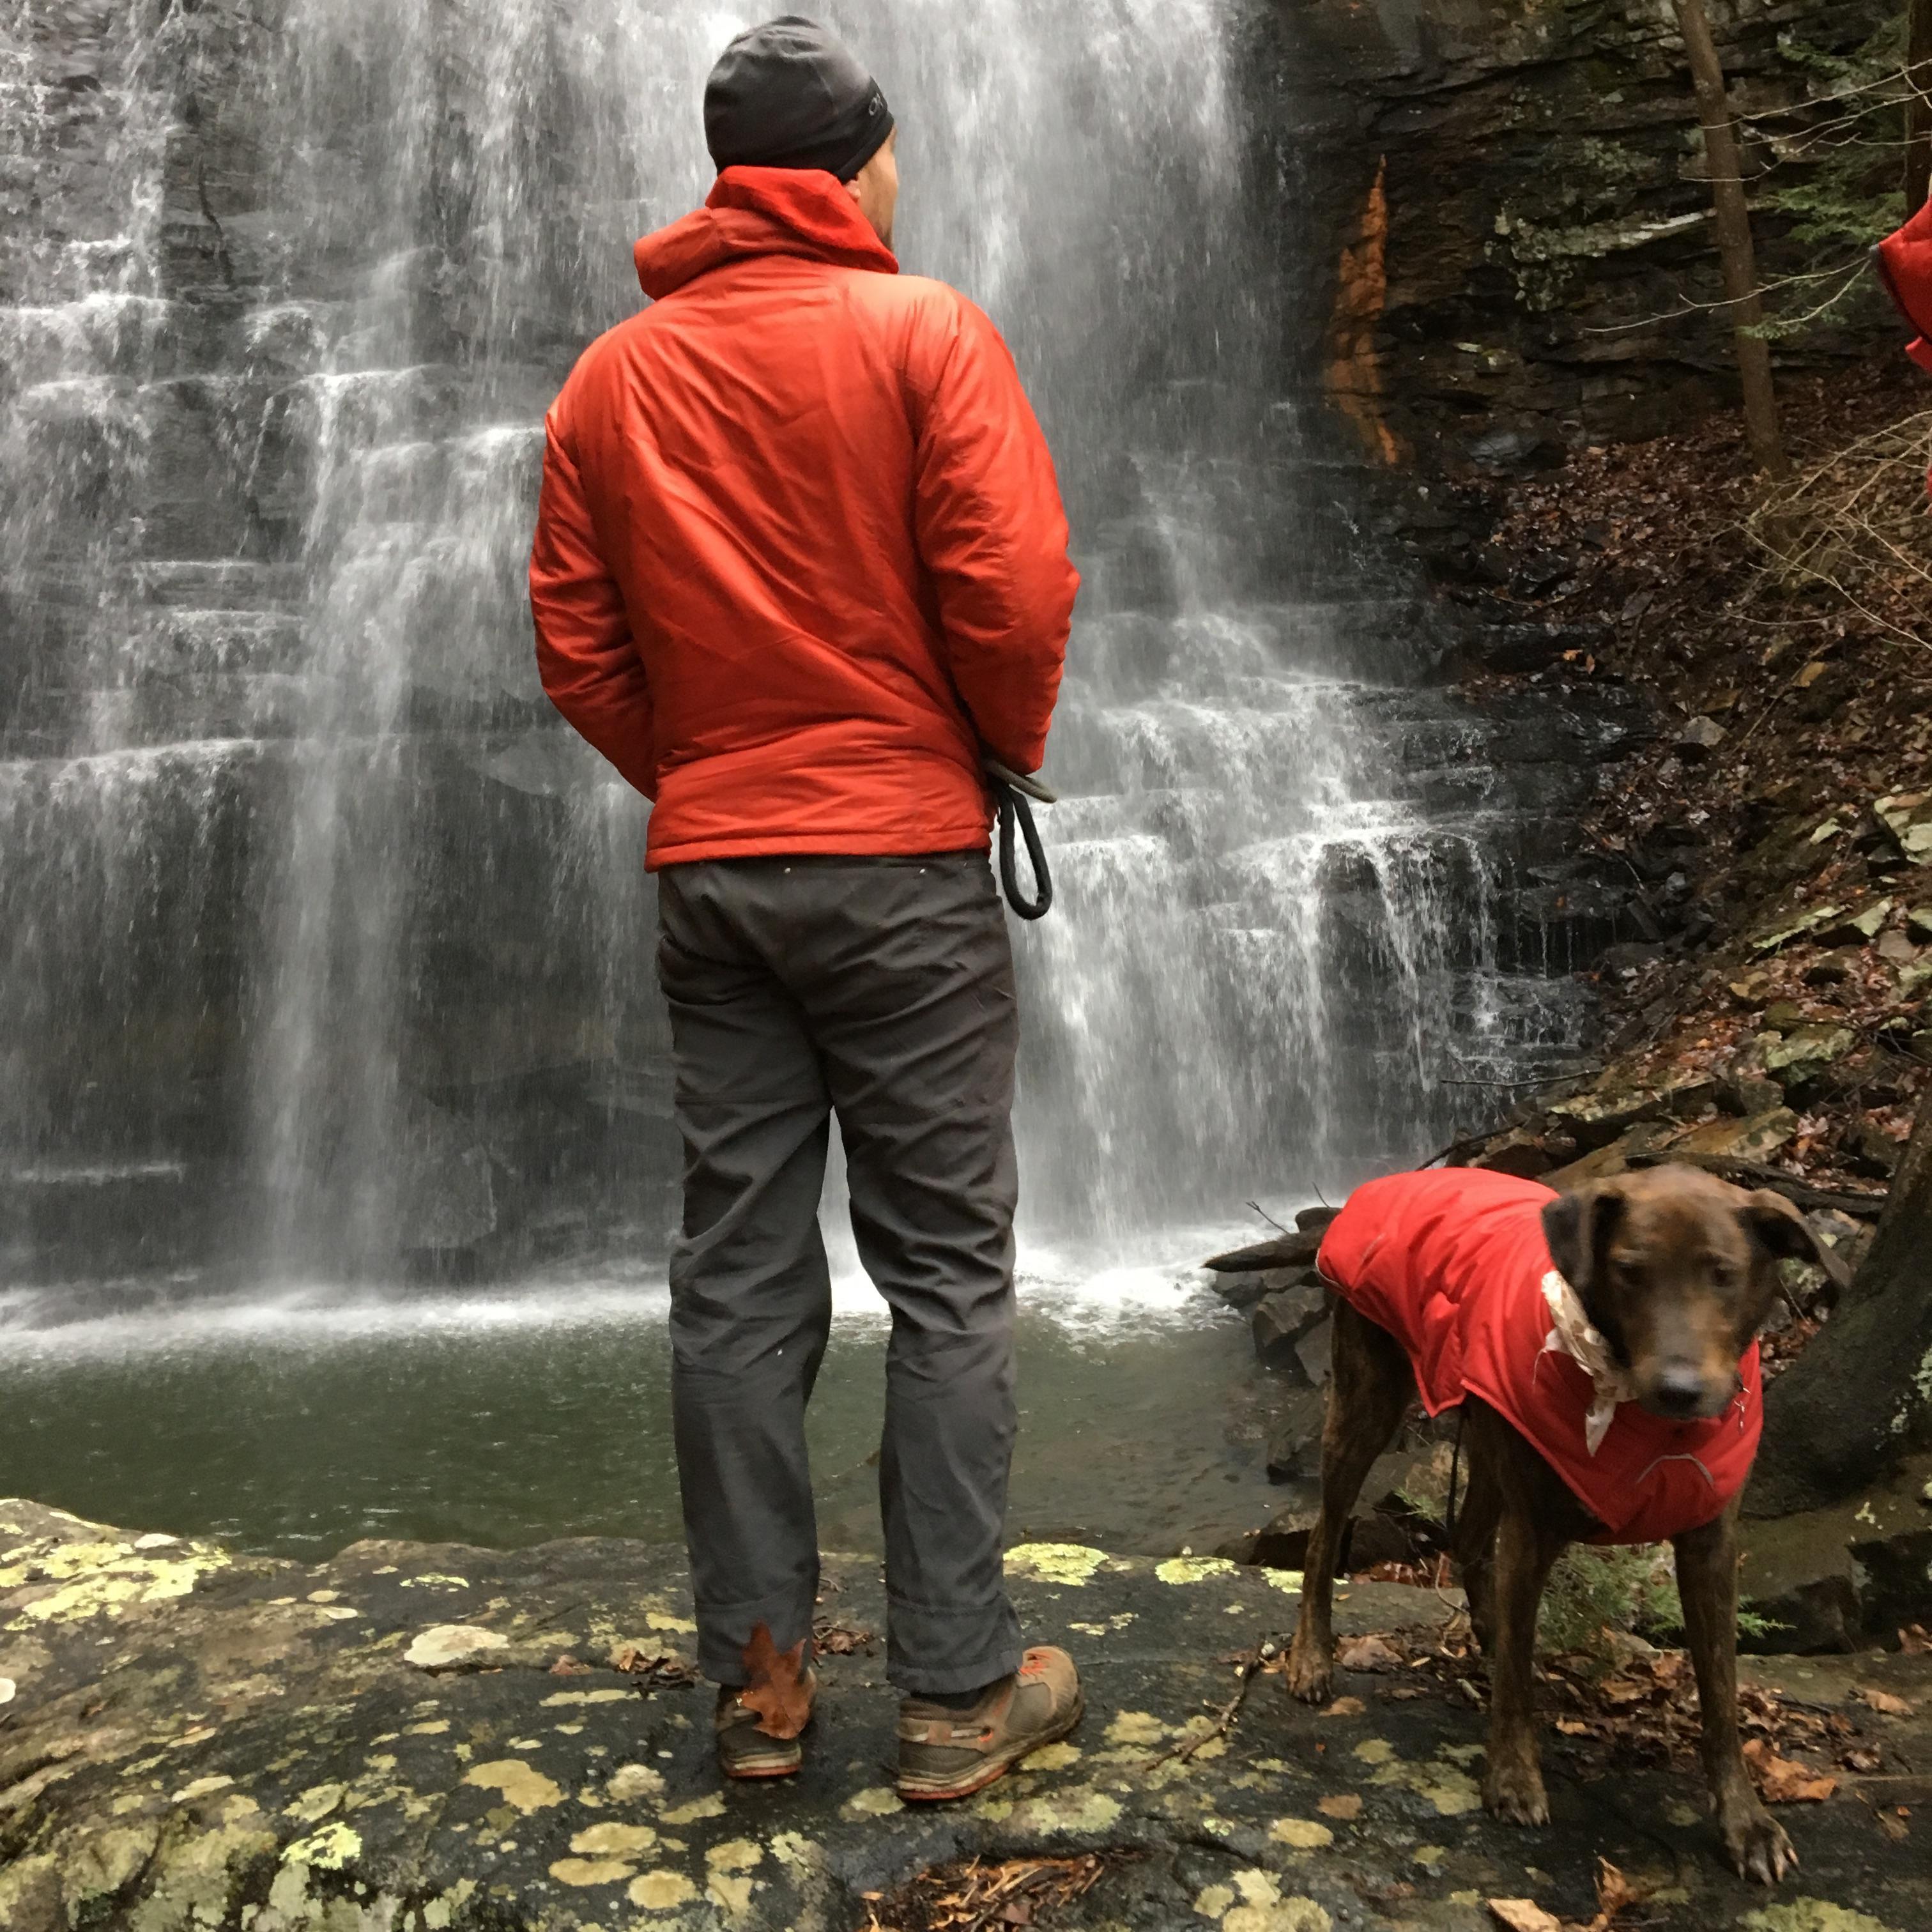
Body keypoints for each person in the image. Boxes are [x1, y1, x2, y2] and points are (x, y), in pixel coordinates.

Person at [528, 16, 1082, 1800]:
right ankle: (951, 1699)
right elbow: (1010, 587)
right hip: (905, 868)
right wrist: (985, 753)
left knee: (738, 1283)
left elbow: (577, 644)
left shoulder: (612, 378)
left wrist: (704, 776)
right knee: (944, 1281)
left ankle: (762, 1697)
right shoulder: (928, 332)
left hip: (717, 875)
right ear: (855, 166)